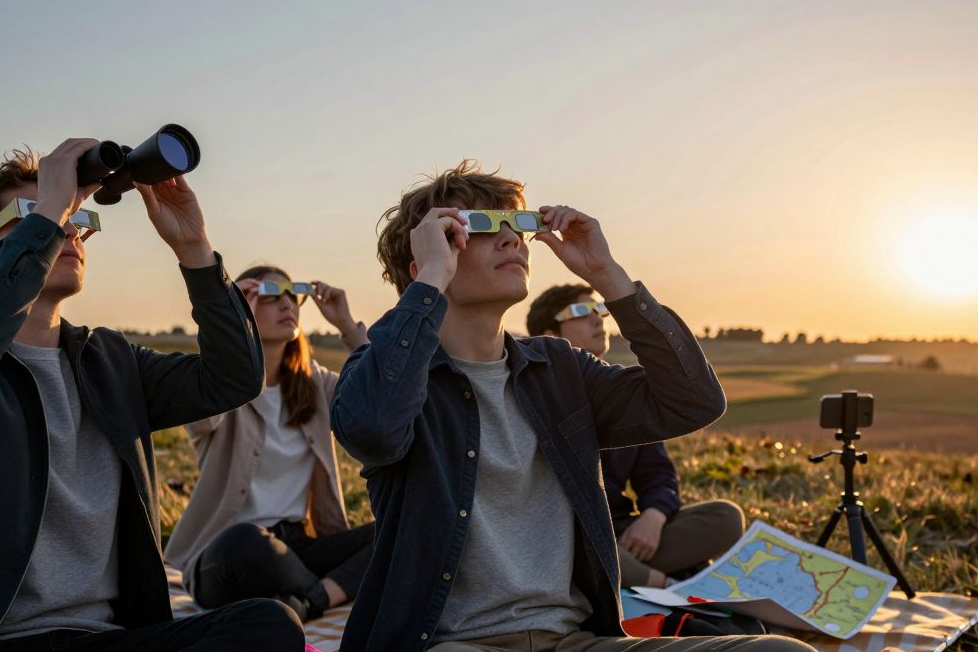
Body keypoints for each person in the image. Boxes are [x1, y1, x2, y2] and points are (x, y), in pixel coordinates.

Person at [331, 161, 811, 652]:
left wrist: (607, 274)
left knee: (780, 650)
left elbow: (693, 402)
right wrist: (428, 283)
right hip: (449, 644)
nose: (512, 240)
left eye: (518, 226)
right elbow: (373, 431)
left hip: (574, 641)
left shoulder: (558, 368)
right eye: (481, 226)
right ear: (425, 260)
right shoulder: (381, 370)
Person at [0, 141, 304, 652]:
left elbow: (233, 377)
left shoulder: (109, 361)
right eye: (34, 214)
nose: (68, 232)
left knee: (269, 624)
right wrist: (54, 208)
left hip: (106, 639)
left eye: (74, 221)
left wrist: (194, 248)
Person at [166, 265, 375, 622]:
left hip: (296, 548)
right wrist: (229, 322)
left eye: (293, 296)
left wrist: (346, 324)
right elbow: (198, 419)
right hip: (226, 553)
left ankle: (309, 600)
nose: (287, 305)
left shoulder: (317, 386)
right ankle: (325, 593)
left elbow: (378, 401)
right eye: (270, 296)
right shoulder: (219, 385)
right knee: (247, 541)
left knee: (401, 523)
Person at [527, 284, 745, 589]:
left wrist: (653, 517)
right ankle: (668, 587)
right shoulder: (532, 397)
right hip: (566, 536)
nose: (597, 319)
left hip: (625, 534)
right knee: (580, 547)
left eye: (600, 309)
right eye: (580, 312)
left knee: (725, 517)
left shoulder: (621, 394)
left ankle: (622, 579)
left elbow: (657, 475)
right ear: (548, 336)